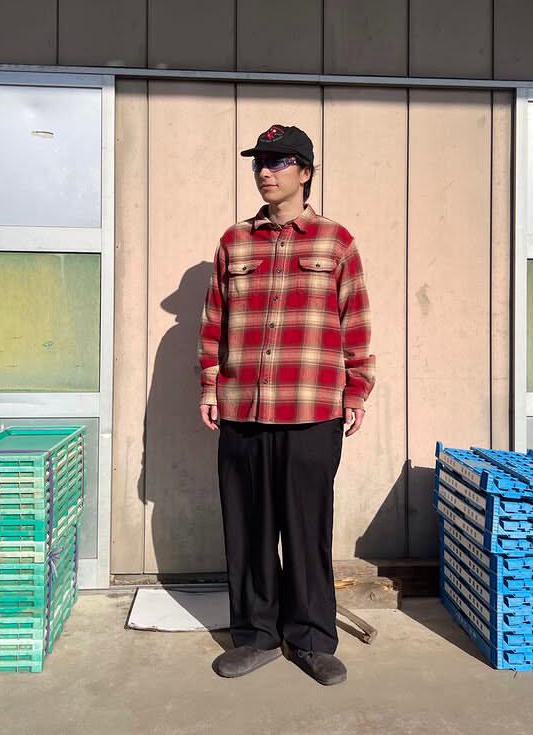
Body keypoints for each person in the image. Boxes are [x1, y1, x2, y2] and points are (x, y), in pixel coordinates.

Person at [197, 123, 375, 686]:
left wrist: (357, 388)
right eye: (259, 163)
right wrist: (209, 386)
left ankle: (312, 640)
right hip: (243, 409)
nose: (264, 172)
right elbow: (214, 321)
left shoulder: (336, 242)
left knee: (305, 530)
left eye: (276, 162)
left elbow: (355, 320)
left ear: (305, 172)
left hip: (311, 409)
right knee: (248, 529)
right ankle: (255, 636)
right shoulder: (234, 243)